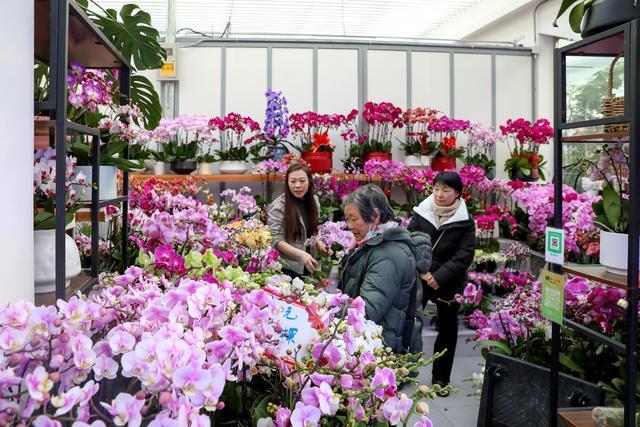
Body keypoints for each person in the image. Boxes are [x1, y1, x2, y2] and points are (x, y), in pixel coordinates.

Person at [339, 184, 431, 354]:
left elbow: (368, 309)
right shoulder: (370, 245)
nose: (349, 225)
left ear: (375, 217)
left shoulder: (389, 254)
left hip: (385, 350)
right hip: (373, 344)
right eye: (347, 219)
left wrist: (330, 311)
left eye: (354, 219)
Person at [408, 171, 475, 394]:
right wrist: (423, 271)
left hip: (448, 281)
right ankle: (405, 370)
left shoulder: (465, 221)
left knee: (447, 327)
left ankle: (441, 378)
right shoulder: (422, 212)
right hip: (421, 276)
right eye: (436, 188)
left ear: (457, 193)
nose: (439, 194)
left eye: (446, 190)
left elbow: (464, 255)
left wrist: (438, 277)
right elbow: (411, 241)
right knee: (411, 321)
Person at [268, 163, 326, 278]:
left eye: (302, 181)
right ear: (287, 183)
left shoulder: (314, 201)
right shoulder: (279, 206)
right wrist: (301, 255)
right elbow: (276, 241)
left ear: (309, 182)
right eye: (293, 181)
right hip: (287, 269)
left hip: (309, 265)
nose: (297, 185)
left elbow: (314, 230)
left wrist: (320, 244)